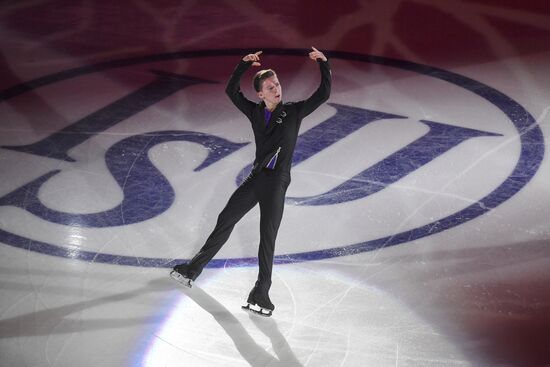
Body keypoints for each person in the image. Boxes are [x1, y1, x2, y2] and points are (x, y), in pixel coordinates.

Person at [171, 47, 331, 317]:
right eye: (270, 87)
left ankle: (262, 294)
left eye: (277, 84)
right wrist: (243, 65)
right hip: (257, 177)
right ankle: (192, 270)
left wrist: (324, 65)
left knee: (267, 238)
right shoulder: (256, 112)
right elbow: (231, 91)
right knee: (226, 218)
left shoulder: (293, 112)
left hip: (277, 182)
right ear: (260, 94)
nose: (277, 89)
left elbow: (323, 94)